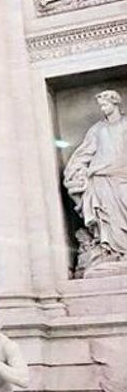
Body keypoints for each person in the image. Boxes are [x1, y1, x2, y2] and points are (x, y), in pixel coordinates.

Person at [64, 90, 127, 264]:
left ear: (115, 103)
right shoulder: (97, 129)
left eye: (105, 104)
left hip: (122, 176)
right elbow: (83, 153)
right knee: (106, 216)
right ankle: (112, 251)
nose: (103, 108)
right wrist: (75, 171)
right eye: (101, 106)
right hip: (100, 179)